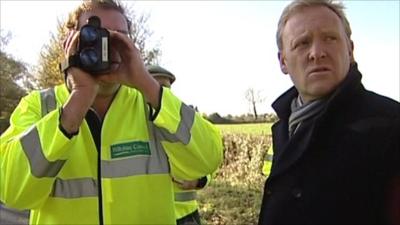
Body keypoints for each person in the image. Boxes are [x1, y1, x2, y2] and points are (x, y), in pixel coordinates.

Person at [0, 1, 223, 224]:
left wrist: (146, 82)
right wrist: (79, 99)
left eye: (118, 37)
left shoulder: (153, 103)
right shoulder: (39, 106)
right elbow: (11, 190)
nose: (106, 46)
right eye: (94, 35)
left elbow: (208, 159)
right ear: (69, 43)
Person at [258, 0, 400, 224]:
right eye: (302, 43)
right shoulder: (283, 127)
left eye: (330, 38)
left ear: (350, 50)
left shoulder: (390, 124)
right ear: (283, 61)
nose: (317, 52)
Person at [147, 65, 213, 225]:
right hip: (151, 216)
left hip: (186, 216)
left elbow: (205, 162)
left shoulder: (184, 121)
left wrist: (199, 181)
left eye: (166, 88)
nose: (163, 93)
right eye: (156, 86)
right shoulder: (131, 122)